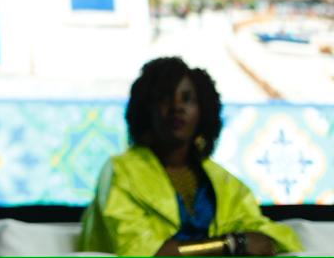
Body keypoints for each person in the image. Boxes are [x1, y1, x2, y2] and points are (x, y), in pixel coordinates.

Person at [79, 57, 302, 256]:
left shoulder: (224, 183)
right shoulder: (121, 172)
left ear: (203, 110)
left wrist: (248, 243)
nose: (177, 107)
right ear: (147, 109)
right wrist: (230, 244)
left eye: (187, 99)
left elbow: (271, 240)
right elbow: (142, 252)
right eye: (165, 98)